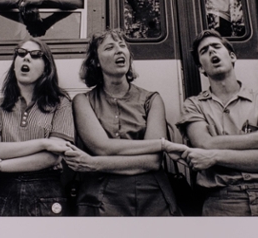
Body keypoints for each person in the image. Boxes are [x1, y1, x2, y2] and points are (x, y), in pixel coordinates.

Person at [173, 29, 258, 216]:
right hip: (222, 200)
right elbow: (204, 144)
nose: (212, 52)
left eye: (216, 46)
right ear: (201, 68)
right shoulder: (193, 105)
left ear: (232, 57)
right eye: (204, 51)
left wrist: (214, 157)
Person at [63, 29, 180, 216]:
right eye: (110, 47)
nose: (119, 50)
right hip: (100, 197)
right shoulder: (82, 101)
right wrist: (160, 144)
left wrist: (93, 164)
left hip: (152, 196)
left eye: (123, 46)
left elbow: (153, 161)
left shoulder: (152, 99)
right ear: (96, 62)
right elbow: (103, 147)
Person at [0, 38, 74, 216]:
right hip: (4, 192)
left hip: (46, 194)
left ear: (47, 67)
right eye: (21, 54)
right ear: (14, 65)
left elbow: (52, 158)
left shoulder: (61, 103)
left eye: (35, 55)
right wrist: (43, 143)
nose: (26, 58)